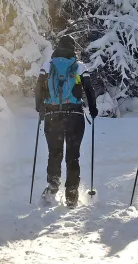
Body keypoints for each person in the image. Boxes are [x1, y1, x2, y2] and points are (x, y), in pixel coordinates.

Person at [35, 35, 98, 208]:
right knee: (73, 155)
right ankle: (71, 194)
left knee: (54, 153)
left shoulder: (48, 66)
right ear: (72, 49)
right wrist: (93, 109)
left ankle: (52, 186)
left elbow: (39, 89)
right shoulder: (78, 67)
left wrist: (39, 107)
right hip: (74, 116)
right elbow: (89, 89)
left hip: (52, 116)